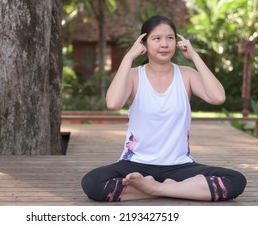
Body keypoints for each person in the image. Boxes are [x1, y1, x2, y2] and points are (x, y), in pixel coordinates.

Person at [81, 15, 247, 202]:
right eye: (156, 38)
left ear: (177, 42)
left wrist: (194, 57)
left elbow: (218, 97)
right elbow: (112, 103)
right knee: (92, 183)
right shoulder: (134, 76)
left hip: (179, 166)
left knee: (235, 181)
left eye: (170, 38)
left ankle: (154, 188)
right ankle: (174, 190)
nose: (164, 44)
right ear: (144, 43)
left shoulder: (186, 75)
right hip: (136, 164)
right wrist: (128, 56)